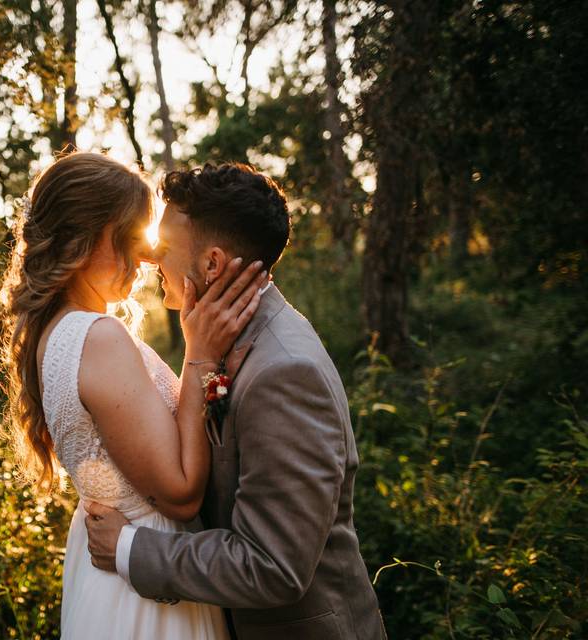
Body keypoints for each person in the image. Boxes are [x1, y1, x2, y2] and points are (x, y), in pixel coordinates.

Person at [84, 162, 387, 639]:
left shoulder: (286, 371)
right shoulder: (223, 336)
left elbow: (273, 566)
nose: (150, 257)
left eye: (164, 247)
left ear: (212, 265)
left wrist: (129, 547)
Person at [0, 152, 268, 639]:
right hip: (147, 583)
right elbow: (180, 493)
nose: (147, 257)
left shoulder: (56, 332)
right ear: (88, 237)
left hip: (115, 570)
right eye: (131, 237)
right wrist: (199, 353)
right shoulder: (97, 337)